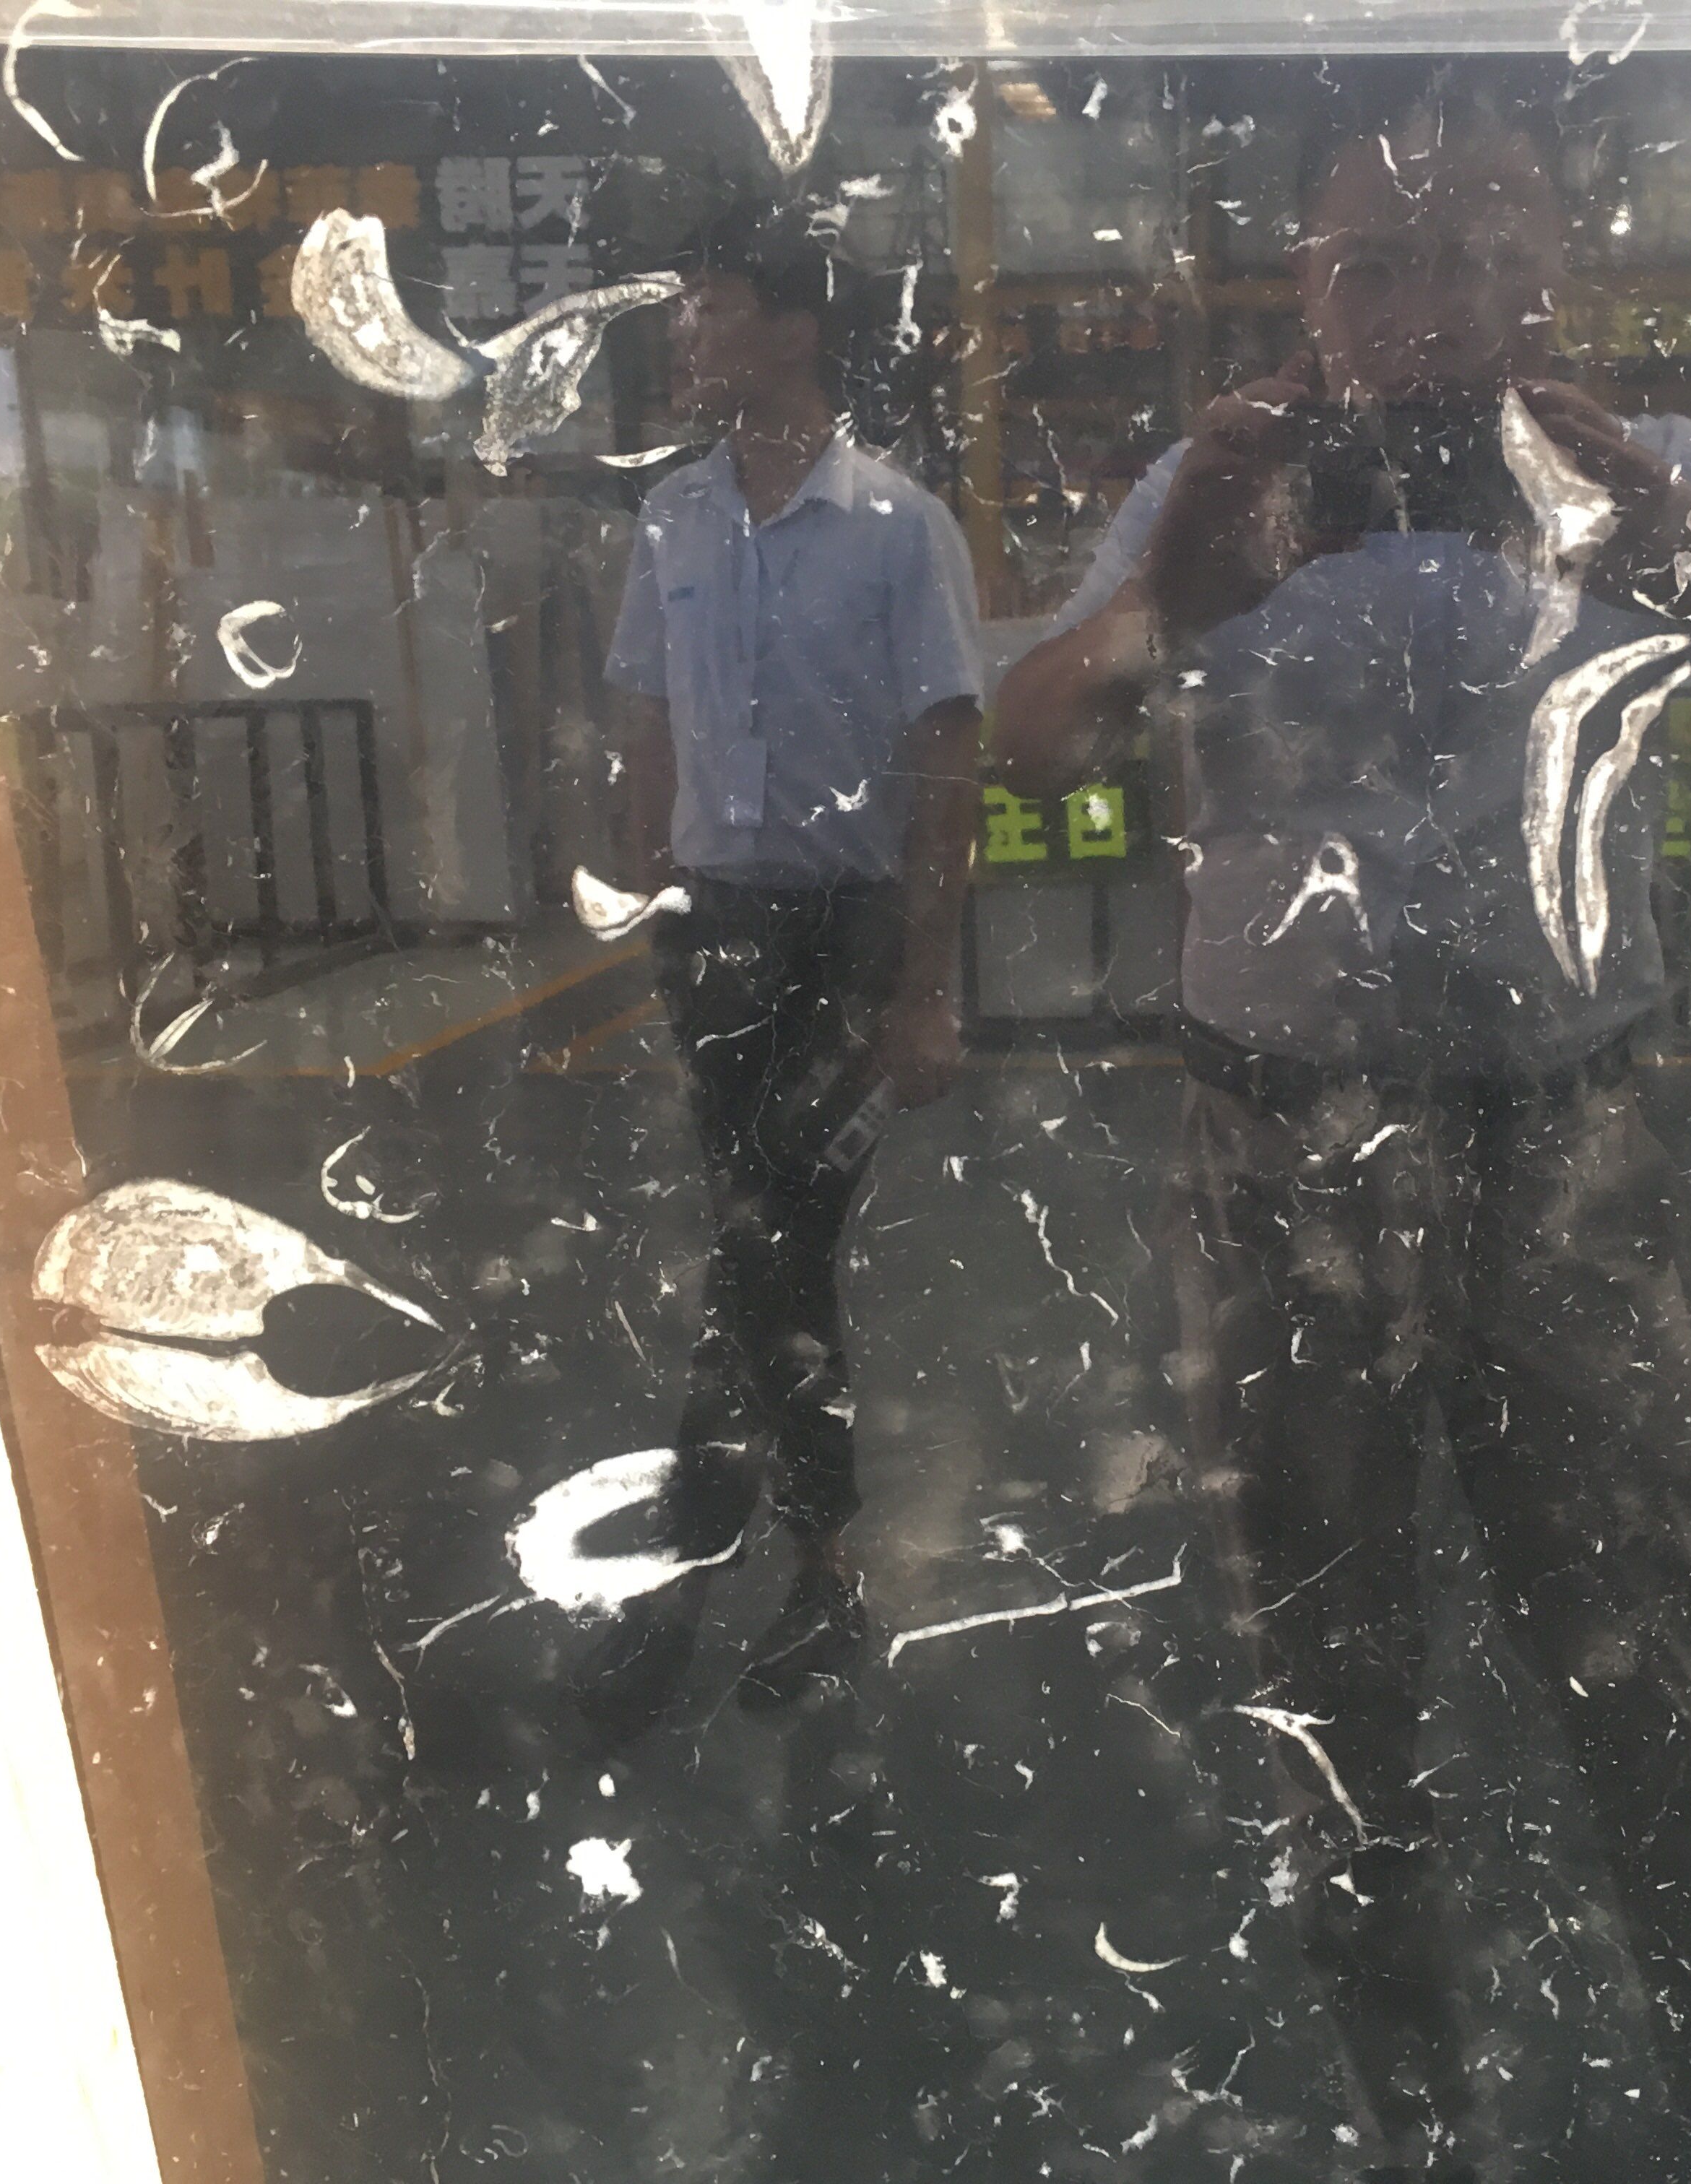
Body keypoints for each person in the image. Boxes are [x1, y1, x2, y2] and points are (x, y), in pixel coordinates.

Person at [992, 67, 1691, 2184]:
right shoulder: (1221, 486)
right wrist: (1177, 598)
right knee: (1327, 1678)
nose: (1426, 307)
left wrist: (1683, 544)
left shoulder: (1644, 471)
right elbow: (1033, 732)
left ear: (1549, 274)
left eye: (1479, 252)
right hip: (1277, 1150)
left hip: (1555, 1144)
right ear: (1307, 287)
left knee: (1647, 1653)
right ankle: (1417, 2121)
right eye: (1378, 263)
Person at [592, 214, 985, 1725]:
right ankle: (791, 1562)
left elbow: (946, 757)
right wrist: (648, 886)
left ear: (797, 332)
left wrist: (927, 988)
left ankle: (765, 1563)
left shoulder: (898, 528)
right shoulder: (673, 520)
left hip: (847, 938)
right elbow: (648, 714)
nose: (685, 336)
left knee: (772, 1243)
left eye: (712, 309)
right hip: (716, 932)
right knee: (757, 1243)